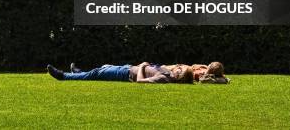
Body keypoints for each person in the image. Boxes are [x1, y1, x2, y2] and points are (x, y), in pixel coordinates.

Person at [47, 62, 193, 84]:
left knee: (97, 73)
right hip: (127, 68)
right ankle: (79, 72)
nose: (179, 67)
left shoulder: (163, 78)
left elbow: (140, 82)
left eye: (181, 69)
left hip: (126, 74)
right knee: (103, 67)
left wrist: (142, 66)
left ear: (180, 76)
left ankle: (63, 76)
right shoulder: (168, 73)